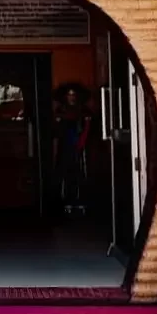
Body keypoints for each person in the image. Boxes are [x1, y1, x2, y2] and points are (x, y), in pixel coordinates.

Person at [53, 82, 93, 219]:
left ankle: (81, 200)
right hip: (65, 146)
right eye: (69, 94)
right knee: (65, 172)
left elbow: (89, 127)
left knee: (80, 172)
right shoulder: (61, 110)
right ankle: (66, 201)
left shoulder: (84, 110)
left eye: (73, 94)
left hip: (80, 145)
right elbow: (56, 130)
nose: (71, 97)